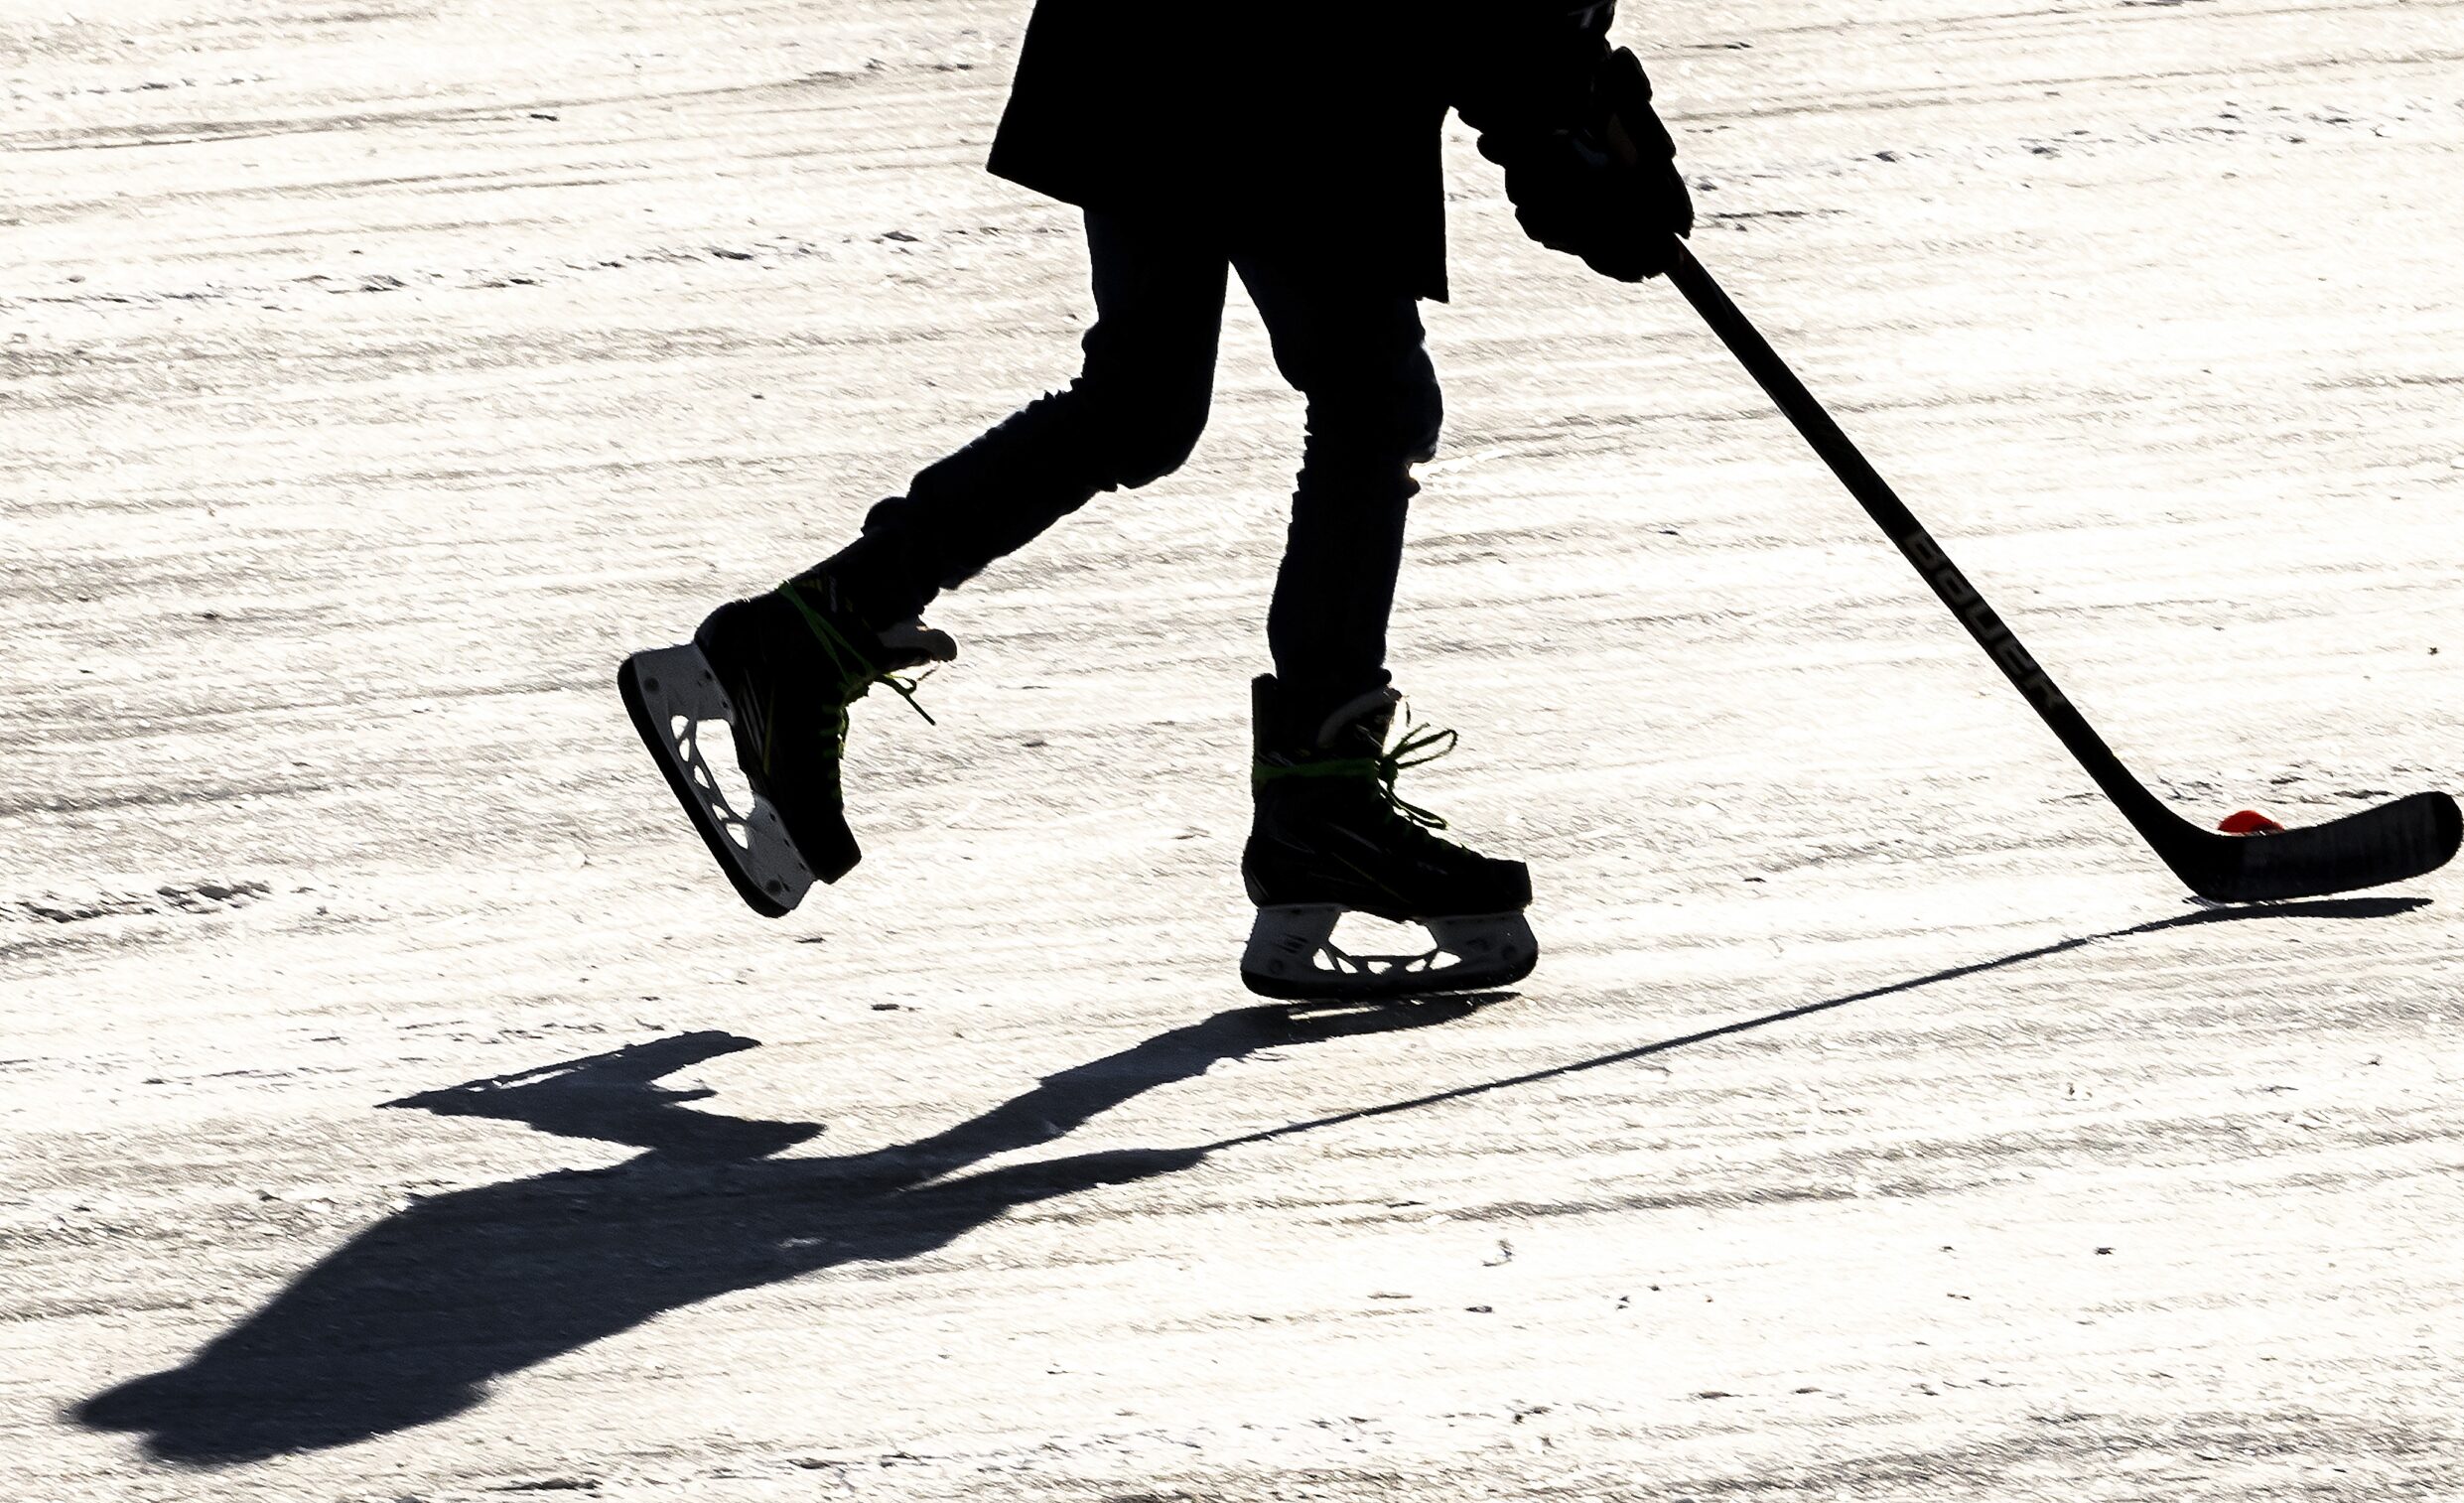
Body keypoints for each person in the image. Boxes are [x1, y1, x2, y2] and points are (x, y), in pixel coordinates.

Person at [620, 0, 1695, 999]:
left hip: (1169, 29)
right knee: (1364, 397)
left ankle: (807, 638)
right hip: (1289, 48)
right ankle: (1320, 802)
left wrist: (1564, 104)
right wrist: (1566, 114)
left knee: (1146, 400)